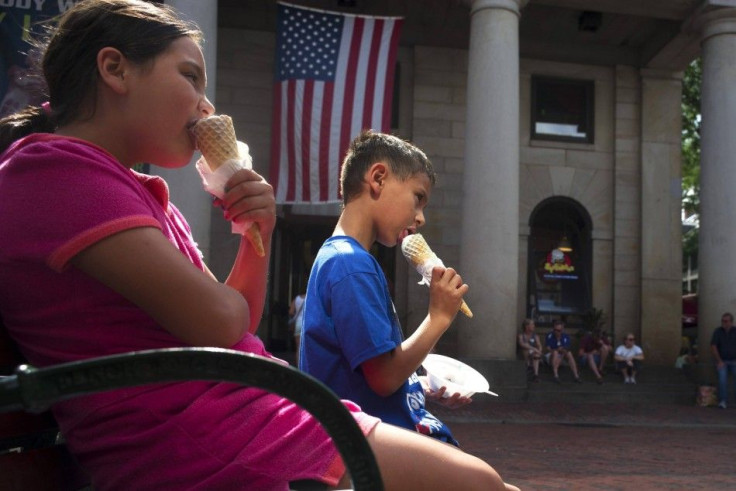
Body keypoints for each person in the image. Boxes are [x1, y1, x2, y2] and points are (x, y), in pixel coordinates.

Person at [0, 2, 516, 490]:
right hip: (202, 434)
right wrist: (439, 318)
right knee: (482, 484)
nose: (207, 104)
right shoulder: (60, 174)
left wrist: (256, 233)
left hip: (240, 414)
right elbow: (222, 324)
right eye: (189, 76)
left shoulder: (128, 191)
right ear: (115, 69)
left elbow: (235, 322)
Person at [299, 130, 517, 489]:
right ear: (379, 178)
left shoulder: (345, 259)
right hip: (354, 445)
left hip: (370, 431)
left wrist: (422, 384)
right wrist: (438, 318)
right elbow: (383, 378)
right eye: (418, 199)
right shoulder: (351, 264)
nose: (420, 218)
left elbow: (372, 367)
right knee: (485, 481)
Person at [710, 312, 736, 409]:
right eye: (722, 321)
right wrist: (719, 361)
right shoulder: (718, 331)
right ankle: (723, 401)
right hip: (722, 361)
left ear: (731, 322)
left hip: (734, 360)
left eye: (726, 321)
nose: (724, 323)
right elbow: (713, 346)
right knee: (722, 380)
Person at [288, 291, 306, 366]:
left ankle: (299, 366)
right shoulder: (310, 297)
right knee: (306, 347)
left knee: (298, 348)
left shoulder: (297, 298)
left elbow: (291, 312)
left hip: (298, 323)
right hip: (307, 323)